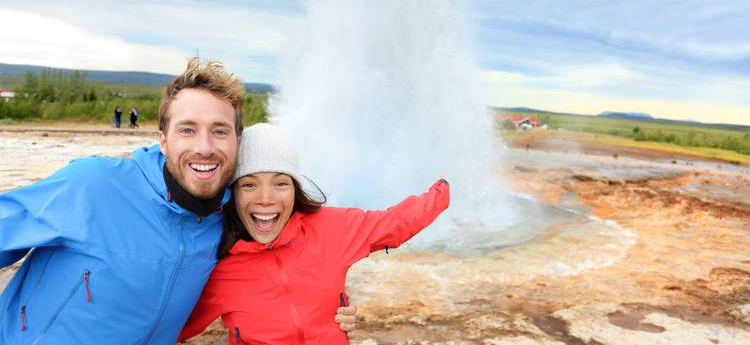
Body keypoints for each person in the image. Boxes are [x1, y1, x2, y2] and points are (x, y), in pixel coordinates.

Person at [0, 58, 355, 344]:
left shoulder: (231, 219)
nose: (204, 146)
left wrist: (329, 308)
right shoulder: (93, 186)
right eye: (187, 129)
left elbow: (275, 269)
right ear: (163, 140)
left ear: (236, 141)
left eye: (219, 130)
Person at [178, 123, 450, 344]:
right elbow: (170, 326)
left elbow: (395, 223)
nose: (265, 198)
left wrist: (443, 189)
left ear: (295, 189)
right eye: (249, 184)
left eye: (281, 183)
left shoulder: (332, 228)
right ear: (232, 194)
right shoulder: (217, 264)